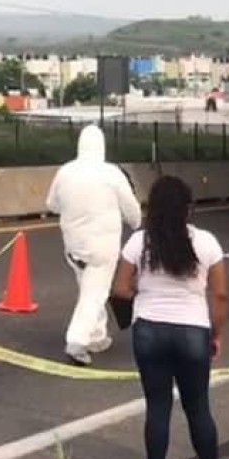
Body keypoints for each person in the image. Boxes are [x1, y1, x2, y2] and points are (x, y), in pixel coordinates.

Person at [113, 175, 229, 459]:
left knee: (157, 405)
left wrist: (143, 288)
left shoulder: (139, 242)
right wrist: (216, 335)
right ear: (188, 209)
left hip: (149, 330)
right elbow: (220, 296)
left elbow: (120, 289)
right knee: (198, 407)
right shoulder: (206, 242)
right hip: (193, 332)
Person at [46, 125, 142, 366]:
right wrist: (136, 222)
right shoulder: (111, 173)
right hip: (102, 245)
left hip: (73, 245)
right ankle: (77, 342)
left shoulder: (65, 171)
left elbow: (51, 205)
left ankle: (97, 337)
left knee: (89, 288)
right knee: (95, 294)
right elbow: (131, 208)